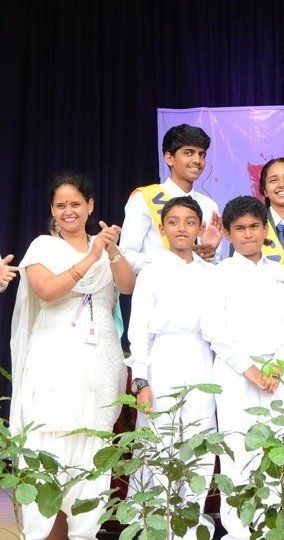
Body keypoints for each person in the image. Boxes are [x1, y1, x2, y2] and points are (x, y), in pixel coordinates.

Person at [10, 173, 134, 538]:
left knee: (93, 447)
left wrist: (111, 250)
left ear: (90, 206)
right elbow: (47, 291)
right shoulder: (42, 247)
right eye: (60, 205)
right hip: (55, 359)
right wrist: (91, 256)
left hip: (100, 359)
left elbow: (126, 286)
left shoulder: (104, 244)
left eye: (76, 204)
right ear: (52, 209)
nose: (68, 211)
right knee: (48, 442)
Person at [201, 196, 284, 540]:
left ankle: (267, 531)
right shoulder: (220, 274)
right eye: (240, 229)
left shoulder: (280, 273)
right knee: (238, 455)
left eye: (254, 227)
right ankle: (237, 532)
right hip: (236, 377)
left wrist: (277, 367)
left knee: (273, 455)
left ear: (265, 229)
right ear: (229, 234)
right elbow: (214, 330)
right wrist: (250, 370)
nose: (248, 234)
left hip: (277, 376)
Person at [126, 196, 216, 538]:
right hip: (161, 357)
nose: (182, 228)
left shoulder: (211, 273)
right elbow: (138, 331)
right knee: (158, 442)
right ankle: (155, 525)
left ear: (200, 228)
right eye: (173, 221)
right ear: (162, 229)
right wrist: (141, 379)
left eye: (190, 221)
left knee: (199, 440)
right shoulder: (151, 271)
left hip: (201, 358)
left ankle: (189, 525)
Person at [120, 123, 223, 273]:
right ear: (169, 158)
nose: (197, 160)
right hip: (156, 288)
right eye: (188, 153)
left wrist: (210, 254)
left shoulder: (209, 205)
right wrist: (175, 262)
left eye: (202, 154)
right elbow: (126, 255)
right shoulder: (144, 197)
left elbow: (215, 264)